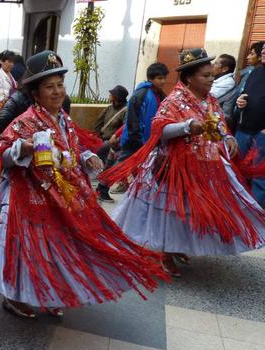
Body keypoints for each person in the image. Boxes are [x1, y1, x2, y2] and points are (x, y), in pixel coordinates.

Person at [0, 50, 167, 318]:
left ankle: (47, 289)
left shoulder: (64, 119)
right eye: (49, 87)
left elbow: (71, 147)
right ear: (35, 93)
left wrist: (87, 156)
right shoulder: (25, 121)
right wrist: (23, 147)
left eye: (60, 85)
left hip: (61, 194)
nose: (57, 92)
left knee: (56, 246)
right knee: (24, 249)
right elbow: (2, 152)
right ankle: (14, 296)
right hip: (26, 197)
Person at [101, 48, 265, 277]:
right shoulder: (175, 100)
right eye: (205, 75)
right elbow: (161, 129)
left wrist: (227, 137)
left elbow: (219, 125)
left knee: (189, 211)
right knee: (170, 212)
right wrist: (187, 126)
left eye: (211, 75)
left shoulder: (209, 101)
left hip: (205, 165)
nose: (211, 79)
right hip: (173, 167)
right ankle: (165, 253)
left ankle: (177, 246)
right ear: (189, 78)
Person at [106, 62, 168, 194]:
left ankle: (137, 193)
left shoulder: (161, 95)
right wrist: (137, 140)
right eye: (159, 78)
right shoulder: (140, 94)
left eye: (164, 78)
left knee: (144, 168)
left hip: (149, 140)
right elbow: (132, 120)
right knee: (120, 166)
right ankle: (102, 188)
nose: (163, 81)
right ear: (151, 79)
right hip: (134, 140)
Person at [234, 43, 265, 206]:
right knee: (235, 172)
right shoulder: (255, 73)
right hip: (243, 131)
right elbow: (246, 94)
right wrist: (241, 101)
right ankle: (235, 210)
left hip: (262, 137)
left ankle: (254, 218)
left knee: (260, 181)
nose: (264, 51)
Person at [94, 85, 129, 203]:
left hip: (114, 143)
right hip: (104, 139)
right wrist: (93, 136)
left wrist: (115, 140)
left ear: (117, 97)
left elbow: (125, 128)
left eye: (111, 94)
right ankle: (101, 188)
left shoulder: (126, 110)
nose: (109, 96)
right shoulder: (109, 108)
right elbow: (98, 123)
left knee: (110, 165)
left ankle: (102, 187)